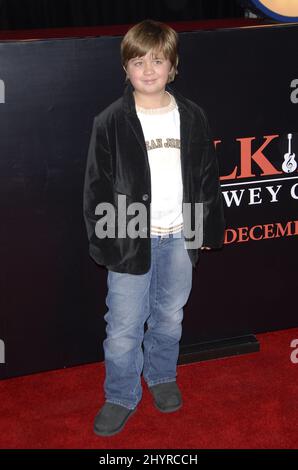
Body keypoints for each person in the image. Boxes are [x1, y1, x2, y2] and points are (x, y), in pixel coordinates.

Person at [83, 19, 225, 437]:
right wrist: (108, 243)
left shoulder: (192, 116)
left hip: (180, 234)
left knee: (169, 316)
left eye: (158, 61)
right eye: (138, 61)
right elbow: (96, 188)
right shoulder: (110, 120)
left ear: (173, 67)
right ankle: (120, 394)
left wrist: (201, 233)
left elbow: (205, 177)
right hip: (129, 235)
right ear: (125, 68)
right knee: (124, 325)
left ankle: (162, 376)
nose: (148, 70)